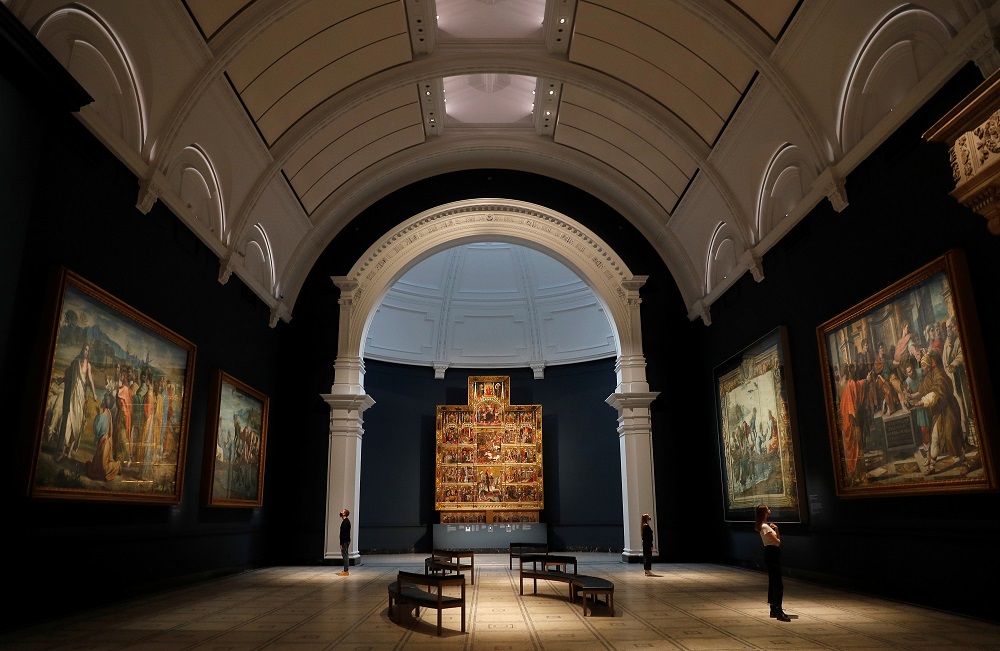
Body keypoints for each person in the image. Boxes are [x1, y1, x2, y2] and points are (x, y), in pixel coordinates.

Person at [57, 342, 100, 462]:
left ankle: (70, 451)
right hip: (73, 395)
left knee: (77, 424)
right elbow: (68, 375)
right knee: (68, 421)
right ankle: (62, 452)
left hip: (80, 397)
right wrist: (61, 380)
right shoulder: (76, 362)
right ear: (82, 350)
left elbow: (90, 380)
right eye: (84, 349)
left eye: (87, 350)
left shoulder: (88, 365)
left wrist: (94, 393)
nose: (85, 352)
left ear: (88, 352)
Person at [755, 504, 790, 621]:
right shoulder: (765, 527)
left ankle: (773, 609)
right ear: (764, 512)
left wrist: (776, 529)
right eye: (768, 509)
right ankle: (779, 610)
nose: (769, 510)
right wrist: (776, 531)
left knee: (773, 581)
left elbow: (777, 541)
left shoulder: (764, 526)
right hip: (772, 553)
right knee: (778, 583)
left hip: (771, 552)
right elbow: (778, 542)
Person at [337, 508, 351, 576]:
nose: (341, 512)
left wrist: (341, 543)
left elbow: (343, 534)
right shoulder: (346, 521)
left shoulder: (345, 522)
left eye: (342, 511)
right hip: (346, 541)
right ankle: (346, 570)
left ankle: (346, 571)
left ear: (344, 514)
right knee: (345, 555)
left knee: (345, 555)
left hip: (345, 541)